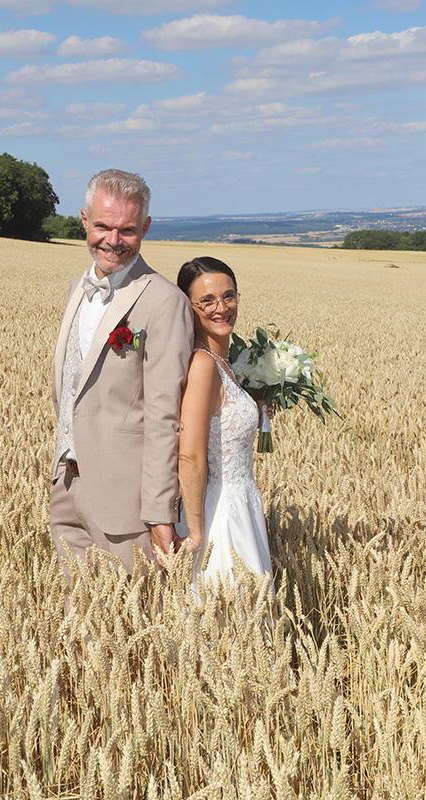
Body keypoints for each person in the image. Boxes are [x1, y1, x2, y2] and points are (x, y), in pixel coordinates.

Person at [50, 169, 194, 578]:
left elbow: (167, 416)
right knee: (76, 624)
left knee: (131, 629)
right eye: (103, 226)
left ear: (145, 227)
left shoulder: (164, 302)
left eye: (127, 230)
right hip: (66, 487)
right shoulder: (75, 289)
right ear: (84, 220)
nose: (113, 240)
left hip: (126, 505)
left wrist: (160, 512)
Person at [174, 256, 273, 592]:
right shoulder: (203, 364)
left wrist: (256, 408)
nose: (221, 307)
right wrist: (198, 532)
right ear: (188, 307)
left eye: (229, 296)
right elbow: (189, 455)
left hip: (243, 503)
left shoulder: (224, 362)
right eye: (207, 300)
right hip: (220, 514)